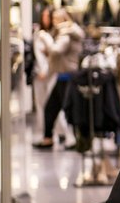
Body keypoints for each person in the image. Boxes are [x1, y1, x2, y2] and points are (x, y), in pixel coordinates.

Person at [32, 8, 84, 150]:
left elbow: (56, 50)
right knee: (51, 108)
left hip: (67, 77)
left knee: (65, 110)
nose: (53, 21)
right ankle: (48, 138)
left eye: (55, 18)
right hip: (62, 76)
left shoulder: (66, 33)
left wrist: (46, 39)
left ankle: (71, 139)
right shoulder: (64, 32)